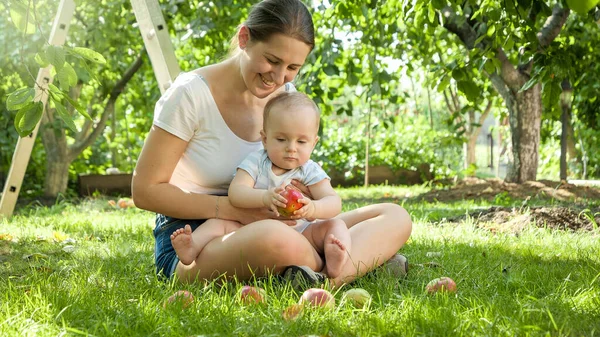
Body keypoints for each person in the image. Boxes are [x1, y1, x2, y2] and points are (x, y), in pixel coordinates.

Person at [131, 0, 412, 288]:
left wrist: (303, 200)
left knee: (394, 215)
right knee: (273, 239)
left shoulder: (283, 96)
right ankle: (352, 268)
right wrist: (235, 209)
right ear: (244, 38)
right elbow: (144, 192)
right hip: (200, 239)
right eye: (272, 60)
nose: (278, 78)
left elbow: (301, 174)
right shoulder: (190, 95)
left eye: (292, 67)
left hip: (283, 224)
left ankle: (319, 275)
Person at [170, 91, 350, 278]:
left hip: (303, 232)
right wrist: (264, 197)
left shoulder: (309, 170)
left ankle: (336, 257)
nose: (291, 147)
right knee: (218, 224)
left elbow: (333, 201)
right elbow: (236, 192)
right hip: (252, 229)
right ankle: (191, 248)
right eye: (281, 139)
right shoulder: (257, 162)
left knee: (335, 225)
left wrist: (313, 208)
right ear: (265, 139)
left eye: (302, 141)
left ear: (314, 143)